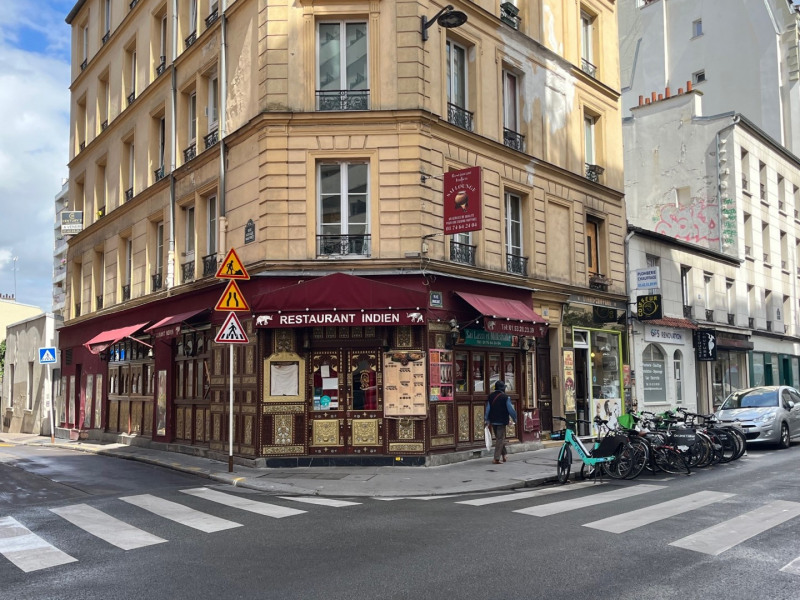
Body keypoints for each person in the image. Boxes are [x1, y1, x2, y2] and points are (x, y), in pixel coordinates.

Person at [485, 380, 517, 464]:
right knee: (500, 439)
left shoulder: (491, 396)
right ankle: (496, 458)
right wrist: (515, 418)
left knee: (499, 438)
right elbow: (511, 410)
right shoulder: (506, 397)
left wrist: (487, 420)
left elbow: (488, 409)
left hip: (493, 420)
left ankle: (504, 455)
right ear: (503, 388)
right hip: (502, 421)